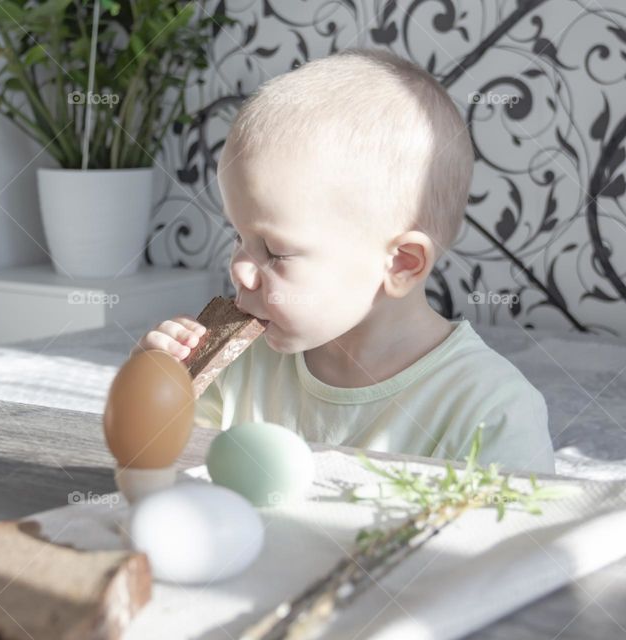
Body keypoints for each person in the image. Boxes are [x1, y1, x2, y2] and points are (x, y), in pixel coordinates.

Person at [131, 48, 555, 475]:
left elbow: (510, 536)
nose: (239, 268)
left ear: (401, 264)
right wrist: (157, 390)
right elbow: (157, 470)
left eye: (275, 251)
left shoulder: (491, 408)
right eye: (240, 237)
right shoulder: (237, 366)